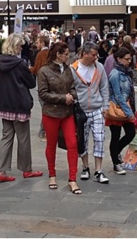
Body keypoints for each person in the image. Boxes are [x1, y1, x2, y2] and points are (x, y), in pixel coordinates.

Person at [0, 33, 43, 183]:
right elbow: (31, 83)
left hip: (5, 103)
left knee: (6, 136)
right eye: (20, 45)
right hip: (19, 103)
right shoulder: (20, 63)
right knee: (23, 138)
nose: (21, 48)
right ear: (15, 46)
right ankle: (26, 169)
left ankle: (1, 171)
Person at [37, 42, 81, 194]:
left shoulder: (69, 69)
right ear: (58, 55)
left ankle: (73, 178)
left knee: (73, 143)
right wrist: (63, 98)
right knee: (51, 144)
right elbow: (43, 93)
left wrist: (71, 96)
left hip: (67, 113)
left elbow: (74, 88)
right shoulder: (44, 71)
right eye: (66, 54)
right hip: (51, 113)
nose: (68, 57)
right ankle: (52, 174)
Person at [71, 42, 110, 184]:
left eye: (96, 54)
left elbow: (104, 87)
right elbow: (70, 88)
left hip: (97, 108)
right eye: (93, 55)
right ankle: (85, 167)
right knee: (82, 140)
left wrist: (105, 106)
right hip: (81, 110)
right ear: (84, 54)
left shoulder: (99, 67)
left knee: (99, 138)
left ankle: (98, 170)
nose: (96, 57)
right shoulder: (73, 69)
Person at [106, 47, 136, 175]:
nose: (129, 61)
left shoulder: (126, 72)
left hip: (126, 106)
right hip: (117, 108)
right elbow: (118, 95)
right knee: (116, 135)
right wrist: (129, 113)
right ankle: (116, 163)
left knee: (131, 133)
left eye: (130, 59)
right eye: (127, 59)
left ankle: (116, 152)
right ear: (119, 59)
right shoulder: (115, 74)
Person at [30, 34, 51, 140]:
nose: (36, 44)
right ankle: (44, 130)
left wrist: (29, 69)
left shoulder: (40, 54)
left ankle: (43, 131)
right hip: (51, 84)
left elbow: (36, 69)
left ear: (42, 43)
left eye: (38, 42)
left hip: (42, 85)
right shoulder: (51, 53)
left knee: (45, 108)